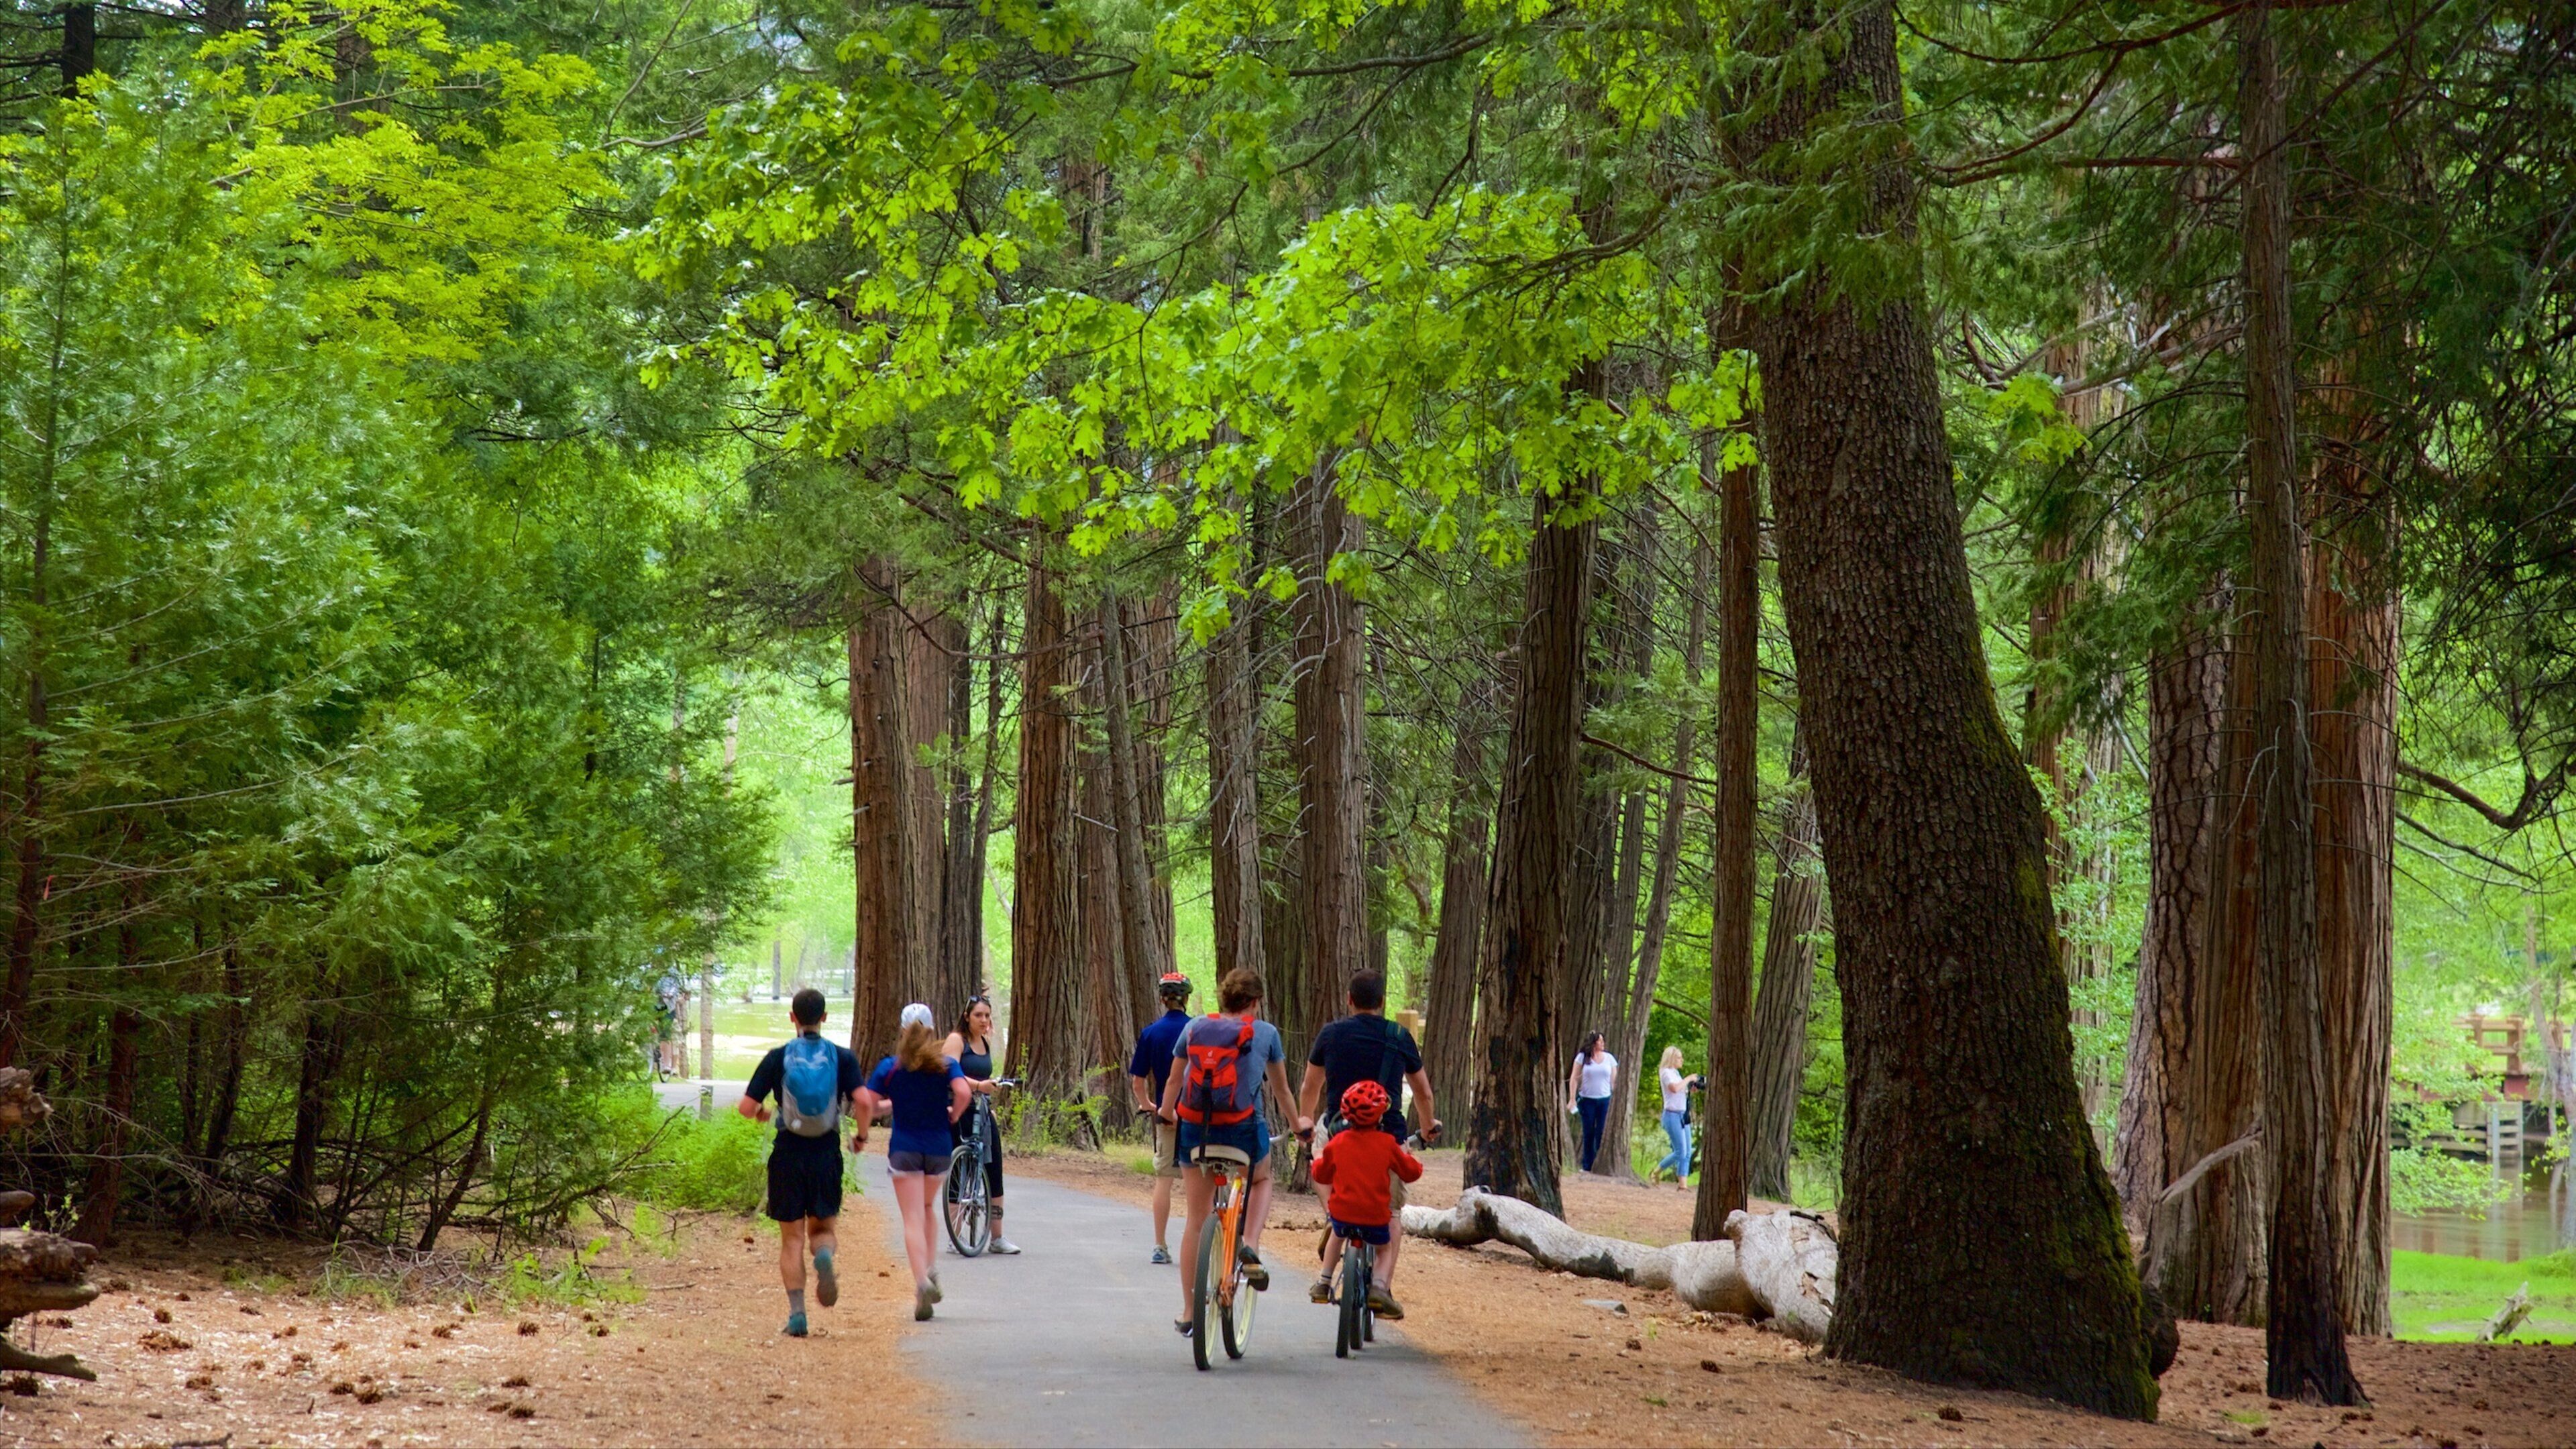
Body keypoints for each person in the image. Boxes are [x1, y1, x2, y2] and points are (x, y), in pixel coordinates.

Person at [1155, 966, 1305, 1338]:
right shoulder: (1266, 1033)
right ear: (1255, 1002)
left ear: (1223, 999)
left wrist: (1166, 1113)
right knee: (1262, 1177)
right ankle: (1250, 1243)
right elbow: (1282, 1091)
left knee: (1195, 1218)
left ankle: (1190, 1311)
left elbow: (1174, 1080)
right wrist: (1299, 1125)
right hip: (1242, 1127)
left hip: (1196, 1129)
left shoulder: (1194, 1029)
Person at [1297, 970, 1438, 1315]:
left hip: (1338, 1130)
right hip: (1388, 1133)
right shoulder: (1398, 1035)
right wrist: (1429, 1125)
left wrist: (1304, 1121)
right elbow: (1423, 1091)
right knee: (1391, 1213)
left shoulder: (1331, 1034)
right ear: (1383, 1002)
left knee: (1321, 1165)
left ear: (1349, 999)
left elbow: (1310, 1087)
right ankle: (1381, 1287)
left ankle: (1335, 1215)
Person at [736, 987, 864, 1338]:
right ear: (824, 1018)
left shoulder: (778, 1057)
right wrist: (861, 1137)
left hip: (787, 1155)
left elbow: (746, 1108)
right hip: (825, 1154)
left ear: (792, 1017)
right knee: (822, 1231)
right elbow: (864, 1101)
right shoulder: (842, 1057)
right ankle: (823, 1256)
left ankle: (797, 1316)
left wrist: (764, 1113)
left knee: (791, 1240)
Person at [859, 1002, 971, 1321]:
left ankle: (921, 1282)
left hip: (905, 1147)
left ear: (902, 1030)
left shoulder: (890, 1067)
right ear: (933, 1031)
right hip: (938, 1148)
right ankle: (931, 1269)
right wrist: (954, 1113)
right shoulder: (946, 1065)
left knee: (911, 1218)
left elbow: (866, 1102)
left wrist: (876, 1119)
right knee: (926, 1209)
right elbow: (963, 1093)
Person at [1309, 1079, 1425, 1318]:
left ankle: (1324, 1281)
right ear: (1381, 1115)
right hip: (1375, 1218)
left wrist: (1320, 1158)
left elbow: (1321, 1174)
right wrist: (1413, 1160)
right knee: (1384, 1250)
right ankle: (1380, 1289)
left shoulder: (1337, 1143)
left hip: (1342, 1215)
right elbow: (1410, 1173)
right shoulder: (1387, 1144)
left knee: (1336, 1235)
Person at [1126, 972, 1195, 1264]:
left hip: (1167, 1116)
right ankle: (1203, 1244)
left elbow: (1138, 1082)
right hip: (1197, 1116)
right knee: (1201, 1182)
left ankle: (1159, 1245)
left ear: (1162, 999)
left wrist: (1150, 1106)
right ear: (1187, 998)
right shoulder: (1197, 1029)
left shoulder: (1150, 1033)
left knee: (1164, 1179)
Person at [939, 996, 1017, 1255]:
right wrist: (977, 1086)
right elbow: (949, 1074)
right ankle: (956, 1234)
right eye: (978, 1016)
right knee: (957, 1171)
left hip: (982, 1111)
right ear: (967, 1016)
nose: (984, 1021)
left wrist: (987, 1094)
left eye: (987, 1016)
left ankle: (997, 1237)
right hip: (959, 1109)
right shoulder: (956, 1041)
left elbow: (982, 1077)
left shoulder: (984, 1042)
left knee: (994, 1169)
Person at [1566, 1031, 1618, 1173]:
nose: (1603, 1043)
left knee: (1601, 1131)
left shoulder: (1610, 1059)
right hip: (1587, 1100)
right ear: (1594, 1043)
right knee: (1588, 1131)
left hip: (1604, 1100)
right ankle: (1587, 1165)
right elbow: (1574, 1078)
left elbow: (1614, 1081)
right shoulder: (1583, 1057)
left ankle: (1599, 1163)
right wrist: (1572, 1099)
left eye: (1603, 1041)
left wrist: (1615, 1097)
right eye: (1600, 1041)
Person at [1655, 1044, 1705, 1185]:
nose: (1682, 1060)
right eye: (1679, 1057)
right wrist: (1689, 1078)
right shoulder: (1666, 1072)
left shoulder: (1676, 1073)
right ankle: (1657, 1171)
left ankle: (1683, 1185)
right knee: (1680, 1151)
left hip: (1683, 1114)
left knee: (1688, 1151)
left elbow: (1681, 1089)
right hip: (1672, 1115)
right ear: (1671, 1058)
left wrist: (1691, 1089)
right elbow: (1674, 1088)